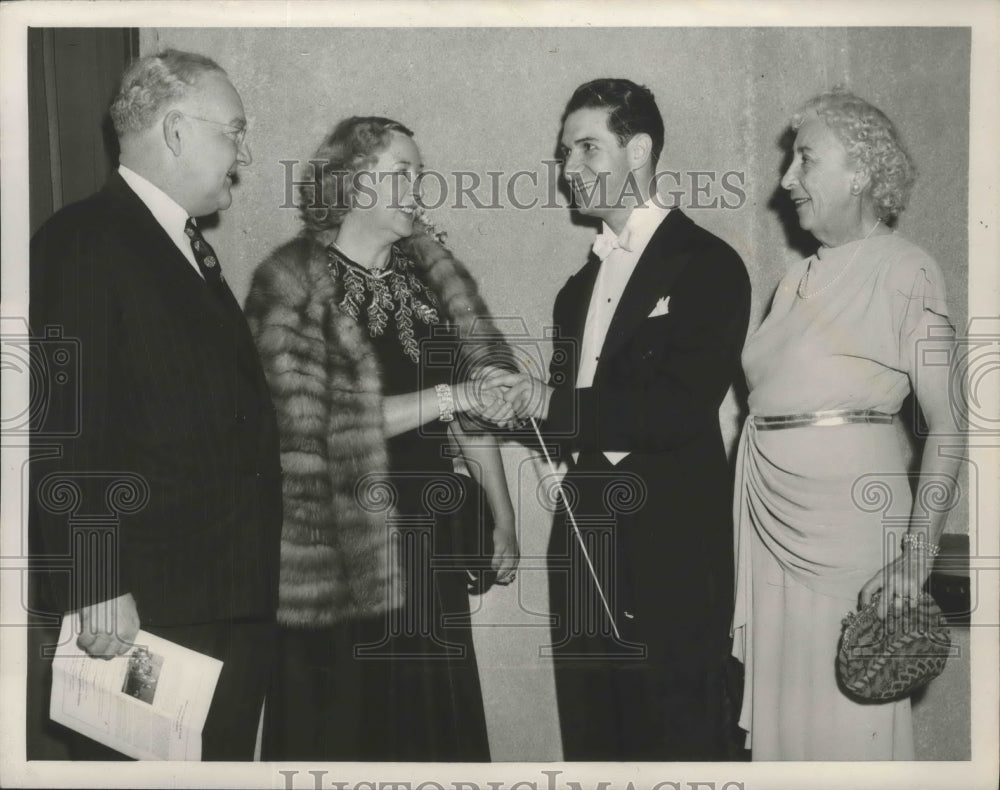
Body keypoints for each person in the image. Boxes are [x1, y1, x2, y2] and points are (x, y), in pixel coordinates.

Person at [484, 79, 751, 760]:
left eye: (586, 148)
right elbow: (571, 419)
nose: (568, 170)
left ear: (637, 150)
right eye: (564, 152)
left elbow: (675, 409)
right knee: (592, 740)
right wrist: (507, 401)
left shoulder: (709, 266)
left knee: (676, 743)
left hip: (669, 553)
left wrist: (549, 403)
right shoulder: (575, 292)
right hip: (580, 542)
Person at [29, 50, 282, 760]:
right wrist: (97, 578)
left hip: (215, 597)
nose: (245, 152)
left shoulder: (181, 247)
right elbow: (65, 425)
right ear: (175, 131)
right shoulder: (83, 242)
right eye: (232, 131)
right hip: (144, 610)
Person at [245, 116, 519, 761]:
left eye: (418, 175)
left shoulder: (431, 282)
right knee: (349, 726)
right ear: (352, 181)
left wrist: (503, 517)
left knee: (430, 730)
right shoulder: (290, 284)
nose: (417, 188)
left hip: (425, 545)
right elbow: (310, 423)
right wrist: (451, 397)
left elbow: (471, 411)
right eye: (402, 173)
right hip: (338, 549)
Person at [730, 89, 961, 760]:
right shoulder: (794, 279)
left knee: (846, 717)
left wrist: (915, 557)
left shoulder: (907, 268)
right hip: (769, 521)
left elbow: (948, 425)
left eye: (805, 160)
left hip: (848, 528)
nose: (787, 181)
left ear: (859, 170)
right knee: (788, 719)